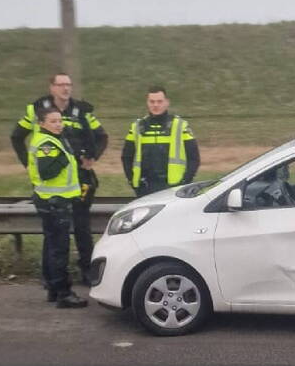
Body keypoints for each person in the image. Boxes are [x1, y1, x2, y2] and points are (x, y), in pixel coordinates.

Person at [11, 73, 108, 284]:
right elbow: (16, 136)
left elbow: (102, 136)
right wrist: (28, 163)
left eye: (68, 85)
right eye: (61, 85)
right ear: (52, 87)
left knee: (82, 225)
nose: (65, 89)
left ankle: (86, 271)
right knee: (53, 230)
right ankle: (50, 276)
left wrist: (92, 157)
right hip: (50, 180)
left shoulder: (81, 110)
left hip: (79, 178)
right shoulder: (36, 109)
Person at [28, 106, 88, 309]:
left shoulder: (54, 140)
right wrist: (64, 157)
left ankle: (53, 289)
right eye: (53, 121)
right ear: (42, 124)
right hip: (54, 202)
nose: (58, 124)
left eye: (60, 120)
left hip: (52, 200)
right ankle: (64, 293)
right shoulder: (47, 143)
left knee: (51, 246)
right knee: (59, 249)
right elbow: (47, 172)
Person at [122, 85, 201, 196]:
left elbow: (194, 158)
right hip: (145, 187)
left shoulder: (180, 126)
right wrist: (133, 182)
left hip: (174, 187)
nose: (156, 105)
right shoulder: (137, 126)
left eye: (159, 101)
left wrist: (185, 182)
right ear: (147, 103)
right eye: (152, 101)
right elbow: (126, 157)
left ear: (167, 102)